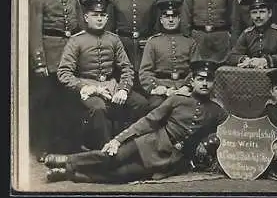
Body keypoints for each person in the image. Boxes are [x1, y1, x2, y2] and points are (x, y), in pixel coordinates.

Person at [44, 60, 228, 183]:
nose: (204, 84)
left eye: (209, 80)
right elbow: (148, 121)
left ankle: (68, 173)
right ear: (193, 81)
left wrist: (209, 141)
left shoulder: (217, 110)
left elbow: (225, 131)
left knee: (119, 175)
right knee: (111, 158)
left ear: (213, 83)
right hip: (150, 142)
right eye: (200, 79)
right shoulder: (177, 99)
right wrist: (118, 140)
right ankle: (64, 160)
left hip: (172, 158)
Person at [57, 0, 149, 150]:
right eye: (95, 15)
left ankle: (132, 148)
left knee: (141, 104)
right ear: (86, 17)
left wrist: (123, 89)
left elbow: (126, 67)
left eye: (102, 15)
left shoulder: (114, 39)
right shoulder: (76, 41)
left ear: (107, 18)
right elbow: (64, 72)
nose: (99, 19)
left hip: (111, 85)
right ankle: (105, 152)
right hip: (88, 88)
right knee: (99, 108)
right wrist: (84, 87)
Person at [30, 0, 84, 159]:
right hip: (49, 59)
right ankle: (44, 148)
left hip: (70, 58)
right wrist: (39, 62)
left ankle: (70, 146)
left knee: (70, 104)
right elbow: (35, 33)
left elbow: (80, 31)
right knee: (48, 105)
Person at [139, 0, 197, 111]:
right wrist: (157, 87)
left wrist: (187, 86)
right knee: (156, 106)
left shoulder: (189, 42)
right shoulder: (153, 42)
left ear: (179, 19)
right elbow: (145, 71)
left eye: (174, 17)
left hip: (183, 88)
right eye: (166, 17)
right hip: (161, 88)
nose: (170, 20)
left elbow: (195, 69)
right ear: (161, 20)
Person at [110, 0, 158, 74]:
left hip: (145, 46)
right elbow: (110, 28)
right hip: (122, 46)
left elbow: (156, 27)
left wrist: (150, 43)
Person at [227, 0, 277, 68]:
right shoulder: (247, 34)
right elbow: (232, 56)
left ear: (270, 13)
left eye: (262, 12)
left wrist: (265, 61)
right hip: (252, 76)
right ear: (250, 15)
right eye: (254, 12)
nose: (258, 16)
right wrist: (245, 60)